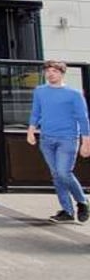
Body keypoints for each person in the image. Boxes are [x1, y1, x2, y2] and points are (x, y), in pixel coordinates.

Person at [26, 60, 90, 224]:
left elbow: (83, 119)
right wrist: (31, 131)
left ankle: (82, 201)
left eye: (54, 71)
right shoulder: (40, 91)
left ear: (62, 73)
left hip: (67, 138)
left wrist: (86, 142)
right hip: (46, 138)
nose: (50, 74)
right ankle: (67, 211)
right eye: (48, 71)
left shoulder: (74, 94)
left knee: (63, 172)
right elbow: (36, 112)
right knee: (56, 175)